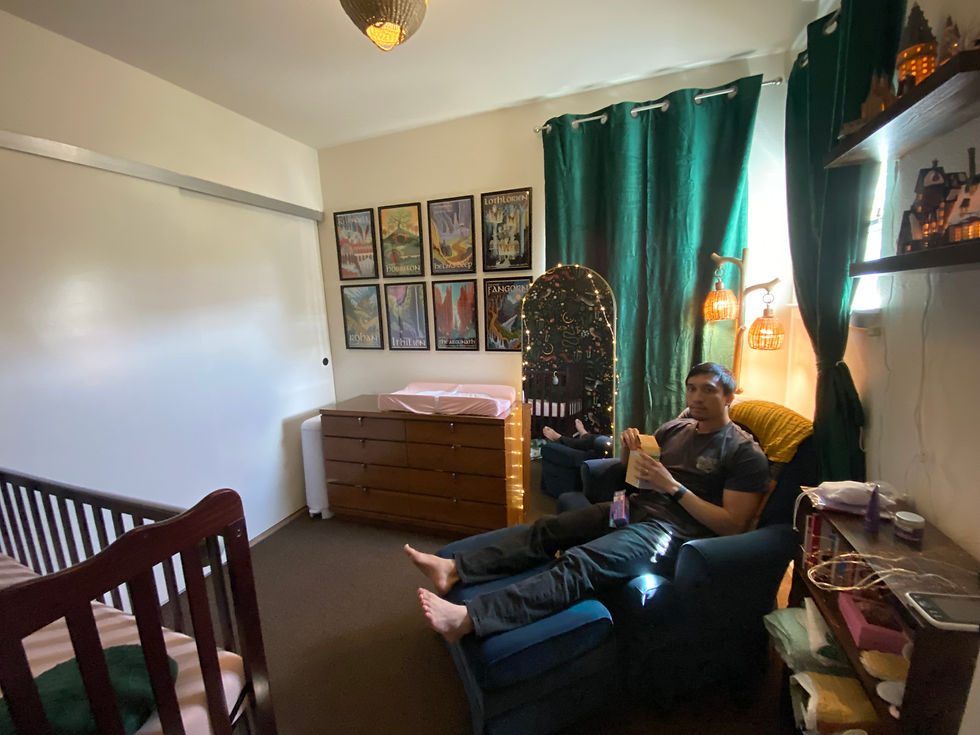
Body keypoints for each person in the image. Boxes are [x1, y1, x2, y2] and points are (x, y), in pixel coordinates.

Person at [404, 362, 769, 642]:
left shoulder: (742, 452)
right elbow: (634, 477)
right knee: (550, 528)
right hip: (634, 508)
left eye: (708, 390)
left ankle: (469, 620)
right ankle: (455, 569)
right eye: (692, 389)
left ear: (729, 397)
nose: (697, 399)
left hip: (671, 533)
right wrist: (629, 454)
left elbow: (731, 524)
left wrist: (673, 487)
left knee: (582, 561)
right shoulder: (676, 428)